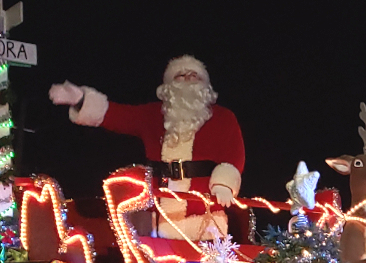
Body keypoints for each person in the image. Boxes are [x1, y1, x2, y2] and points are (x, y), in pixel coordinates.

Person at [49, 56, 246, 241]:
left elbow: (234, 155)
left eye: (194, 76)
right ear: (169, 85)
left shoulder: (223, 118)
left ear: (205, 84)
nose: (187, 80)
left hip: (204, 216)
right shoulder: (153, 115)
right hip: (157, 216)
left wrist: (224, 183)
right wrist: (81, 99)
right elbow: (117, 115)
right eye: (180, 76)